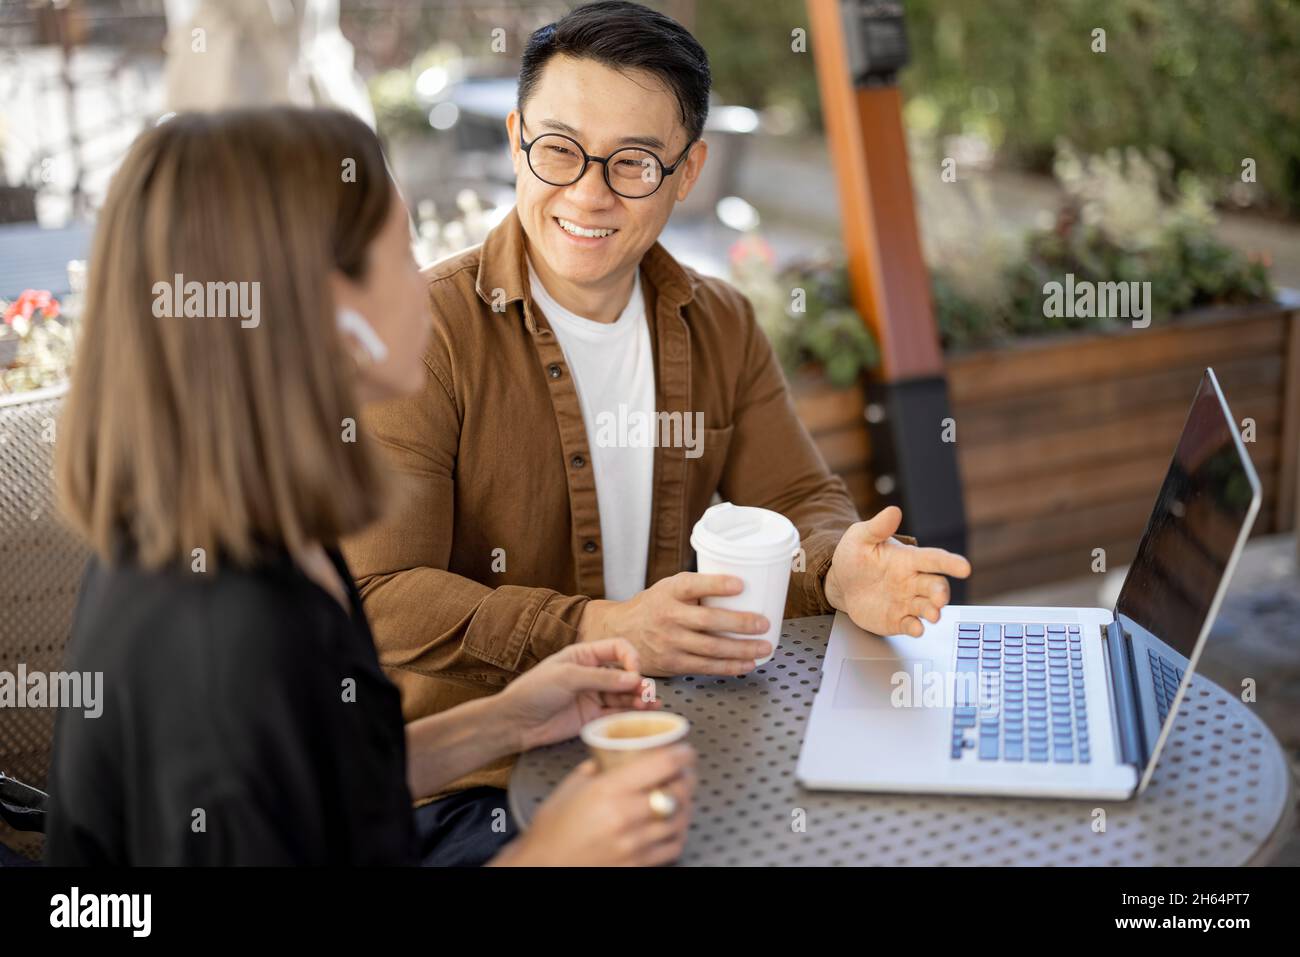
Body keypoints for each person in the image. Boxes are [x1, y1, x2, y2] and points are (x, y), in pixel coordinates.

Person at [342, 0, 971, 864]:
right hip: (471, 784)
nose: (588, 192)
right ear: (519, 137)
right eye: (560, 149)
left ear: (687, 173)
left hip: (681, 736)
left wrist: (838, 567)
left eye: (634, 162)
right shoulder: (425, 331)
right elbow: (378, 595)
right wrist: (601, 625)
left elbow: (795, 499)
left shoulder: (719, 321)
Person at [45, 106, 695, 866]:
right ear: (323, 309)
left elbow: (316, 789)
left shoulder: (263, 531)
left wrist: (507, 720)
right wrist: (548, 855)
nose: (425, 283)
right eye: (401, 252)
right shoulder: (224, 643)